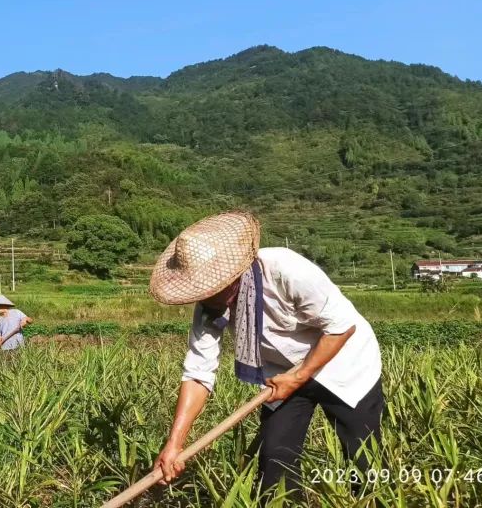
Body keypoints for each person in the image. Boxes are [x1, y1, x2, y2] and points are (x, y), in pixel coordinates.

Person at [148, 211, 383, 499]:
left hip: (344, 364)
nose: (203, 297)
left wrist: (299, 376)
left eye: (209, 288)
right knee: (274, 462)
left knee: (363, 456)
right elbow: (198, 373)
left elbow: (341, 326)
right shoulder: (210, 308)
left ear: (232, 275)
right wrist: (175, 444)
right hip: (281, 375)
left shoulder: (286, 269)